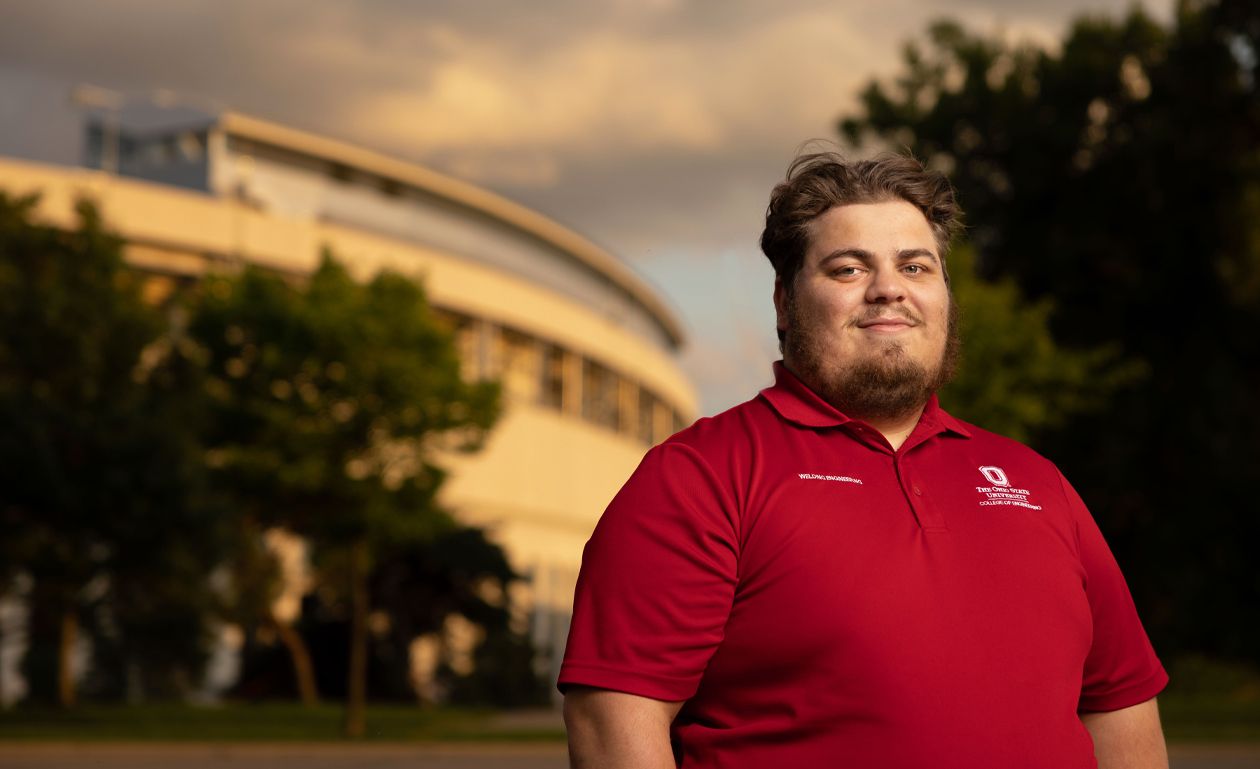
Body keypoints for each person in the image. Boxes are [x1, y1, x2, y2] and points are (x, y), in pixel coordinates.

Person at [558, 152, 1169, 769]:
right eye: (848, 268)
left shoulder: (1039, 484)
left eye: (915, 265)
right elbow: (615, 718)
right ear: (784, 302)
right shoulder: (699, 475)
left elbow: (1118, 707)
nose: (889, 288)